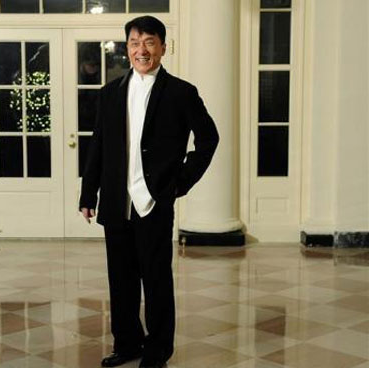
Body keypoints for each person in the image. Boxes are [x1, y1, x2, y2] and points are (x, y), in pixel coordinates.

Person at [79, 16, 219, 368]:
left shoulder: (181, 92)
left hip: (154, 203)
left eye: (149, 42)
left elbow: (208, 139)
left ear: (163, 47)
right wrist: (88, 194)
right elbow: (98, 146)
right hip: (116, 202)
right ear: (127, 49)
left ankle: (156, 352)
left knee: (157, 282)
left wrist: (178, 183)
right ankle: (127, 345)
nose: (142, 50)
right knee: (121, 282)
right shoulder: (110, 93)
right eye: (134, 43)